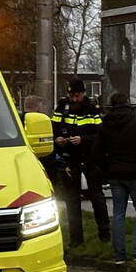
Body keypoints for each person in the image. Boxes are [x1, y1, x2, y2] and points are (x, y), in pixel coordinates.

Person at [93, 92, 136, 263]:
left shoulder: (105, 125)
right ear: (128, 104)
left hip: (115, 175)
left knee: (118, 213)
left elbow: (97, 152)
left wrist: (107, 170)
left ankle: (119, 255)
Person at [52, 78, 110, 248]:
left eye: (77, 95)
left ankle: (104, 234)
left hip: (89, 157)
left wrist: (83, 139)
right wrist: (58, 139)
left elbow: (101, 135)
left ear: (83, 93)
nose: (74, 99)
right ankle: (76, 240)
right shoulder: (62, 107)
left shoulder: (92, 109)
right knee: (72, 200)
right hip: (69, 159)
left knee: (96, 197)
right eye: (71, 95)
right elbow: (54, 127)